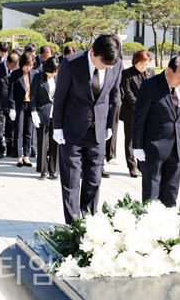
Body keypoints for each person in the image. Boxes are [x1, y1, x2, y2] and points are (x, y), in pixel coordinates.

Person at [52, 34, 123, 224]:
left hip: (98, 131)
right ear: (93, 52)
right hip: (72, 131)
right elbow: (59, 97)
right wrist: (57, 127)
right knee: (71, 181)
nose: (105, 68)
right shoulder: (71, 63)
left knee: (93, 180)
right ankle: (74, 223)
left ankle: (88, 220)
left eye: (109, 66)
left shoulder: (116, 65)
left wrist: (109, 125)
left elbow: (114, 98)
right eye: (102, 64)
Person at [133, 56, 180, 207]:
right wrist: (137, 146)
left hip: (177, 147)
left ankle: (169, 220)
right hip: (153, 146)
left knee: (171, 191)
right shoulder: (150, 85)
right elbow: (139, 118)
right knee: (152, 193)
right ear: (168, 71)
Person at [119, 49, 155, 178]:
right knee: (130, 140)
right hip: (131, 111)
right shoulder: (127, 73)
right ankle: (132, 166)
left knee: (144, 139)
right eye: (141, 64)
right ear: (135, 62)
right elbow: (128, 93)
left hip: (147, 112)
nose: (144, 67)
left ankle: (142, 164)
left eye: (146, 64)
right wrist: (140, 106)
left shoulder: (151, 72)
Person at [31, 56, 60, 180]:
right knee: (43, 142)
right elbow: (33, 96)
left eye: (53, 73)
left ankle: (53, 169)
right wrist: (33, 112)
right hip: (42, 112)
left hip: (57, 113)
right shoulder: (38, 77)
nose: (50, 75)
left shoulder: (60, 77)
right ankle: (43, 170)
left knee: (55, 142)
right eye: (49, 72)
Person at [8, 53, 37, 168]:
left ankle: (27, 156)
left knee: (29, 131)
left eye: (30, 65)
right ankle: (19, 157)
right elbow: (11, 92)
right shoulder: (15, 74)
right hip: (19, 105)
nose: (28, 68)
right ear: (22, 64)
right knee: (18, 131)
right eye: (26, 65)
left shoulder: (35, 74)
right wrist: (12, 108)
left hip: (30, 105)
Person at [0, 52, 19, 158]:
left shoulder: (17, 70)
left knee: (10, 127)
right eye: (12, 66)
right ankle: (0, 148)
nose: (13, 68)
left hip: (12, 103)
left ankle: (10, 149)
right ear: (8, 62)